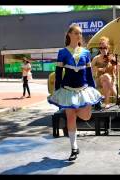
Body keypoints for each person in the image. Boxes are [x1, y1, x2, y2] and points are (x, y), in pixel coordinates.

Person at [48, 24, 102, 161]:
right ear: (70, 34)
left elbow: (89, 74)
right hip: (67, 90)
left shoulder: (86, 52)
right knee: (71, 118)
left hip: (84, 90)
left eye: (80, 33)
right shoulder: (62, 52)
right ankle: (74, 147)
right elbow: (59, 74)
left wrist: (93, 90)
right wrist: (57, 93)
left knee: (86, 116)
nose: (79, 36)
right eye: (77, 33)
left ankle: (74, 110)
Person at [91, 36, 120, 109]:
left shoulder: (112, 58)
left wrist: (114, 67)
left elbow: (116, 71)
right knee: (105, 77)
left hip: (111, 80)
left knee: (106, 80)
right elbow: (90, 69)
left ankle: (107, 103)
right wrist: (100, 69)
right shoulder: (96, 58)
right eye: (101, 48)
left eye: (105, 48)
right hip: (99, 79)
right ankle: (116, 95)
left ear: (108, 47)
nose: (103, 50)